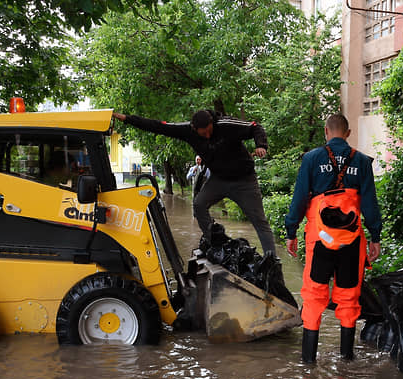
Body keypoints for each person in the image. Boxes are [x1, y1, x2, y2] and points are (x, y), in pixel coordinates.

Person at [284, 113, 382, 364]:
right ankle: (346, 361)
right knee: (349, 298)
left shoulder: (311, 159)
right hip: (352, 242)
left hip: (320, 241)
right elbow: (370, 204)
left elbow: (299, 200)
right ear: (347, 134)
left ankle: (308, 364)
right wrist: (375, 237)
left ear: (326, 132)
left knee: (314, 297)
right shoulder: (361, 161)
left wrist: (291, 232)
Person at [112, 110, 277, 256]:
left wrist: (261, 145)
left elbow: (256, 126)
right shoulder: (186, 131)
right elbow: (158, 126)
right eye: (202, 134)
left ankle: (272, 261)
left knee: (259, 221)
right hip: (218, 180)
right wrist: (126, 118)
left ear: (212, 124)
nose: (207, 136)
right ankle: (216, 243)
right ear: (194, 129)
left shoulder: (227, 125)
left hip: (244, 180)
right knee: (198, 204)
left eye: (209, 132)